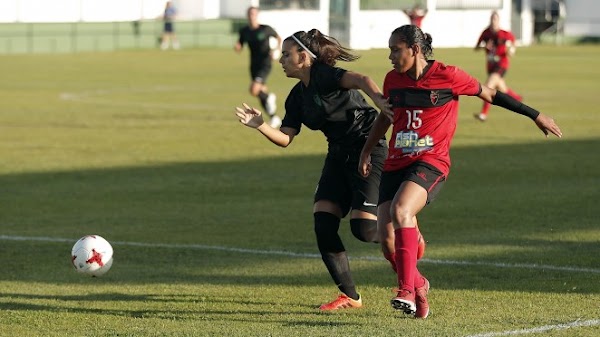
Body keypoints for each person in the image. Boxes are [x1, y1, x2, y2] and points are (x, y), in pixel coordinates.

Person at [358, 25, 562, 319]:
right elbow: (386, 116)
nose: (390, 56)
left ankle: (405, 290)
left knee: (402, 211)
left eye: (395, 49)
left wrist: (535, 115)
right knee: (386, 238)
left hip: (431, 161)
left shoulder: (448, 75)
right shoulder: (393, 80)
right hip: (396, 162)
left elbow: (490, 93)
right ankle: (420, 285)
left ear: (414, 50)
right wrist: (367, 150)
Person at [235, 29, 394, 311]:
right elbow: (285, 138)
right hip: (337, 155)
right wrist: (260, 125)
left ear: (305, 58)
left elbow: (361, 79)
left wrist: (380, 100)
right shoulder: (296, 97)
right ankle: (350, 296)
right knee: (323, 223)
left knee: (365, 229)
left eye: (286, 54)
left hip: (368, 148)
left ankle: (403, 233)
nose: (281, 59)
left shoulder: (324, 75)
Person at [235, 7, 283, 128]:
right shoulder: (244, 31)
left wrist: (276, 49)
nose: (252, 16)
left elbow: (278, 37)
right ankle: (274, 117)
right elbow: (240, 44)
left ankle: (269, 98)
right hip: (253, 65)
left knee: (254, 90)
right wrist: (237, 46)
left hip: (265, 63)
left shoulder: (265, 29)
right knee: (259, 93)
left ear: (257, 15)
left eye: (254, 14)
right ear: (247, 16)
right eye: (250, 14)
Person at [474, 11, 521, 121]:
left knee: (489, 86)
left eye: (495, 19)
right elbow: (476, 47)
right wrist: (484, 47)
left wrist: (511, 50)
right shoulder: (485, 33)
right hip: (490, 65)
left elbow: (513, 42)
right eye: (492, 19)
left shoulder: (504, 33)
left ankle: (483, 114)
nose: (493, 21)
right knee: (502, 89)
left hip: (502, 64)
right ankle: (518, 99)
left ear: (498, 21)